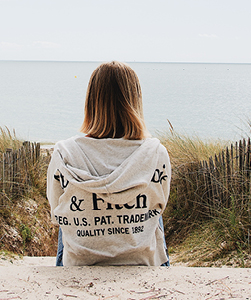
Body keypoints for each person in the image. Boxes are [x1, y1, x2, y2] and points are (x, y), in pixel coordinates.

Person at [46, 61, 171, 266]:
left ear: (91, 101)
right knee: (154, 214)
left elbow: (55, 211)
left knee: (65, 216)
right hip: (141, 262)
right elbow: (161, 203)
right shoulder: (155, 152)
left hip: (81, 262)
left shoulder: (64, 152)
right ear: (135, 101)